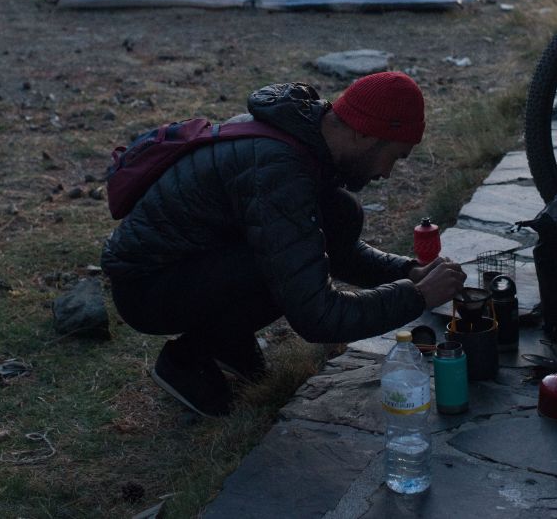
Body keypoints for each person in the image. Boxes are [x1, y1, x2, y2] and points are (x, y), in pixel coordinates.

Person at [101, 71, 466, 417]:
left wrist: (409, 271)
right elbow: (317, 316)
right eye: (395, 157)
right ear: (365, 134)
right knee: (285, 262)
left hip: (193, 263)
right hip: (147, 287)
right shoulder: (279, 169)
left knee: (340, 213)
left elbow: (330, 252)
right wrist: (415, 297)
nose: (387, 173)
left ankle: (227, 340)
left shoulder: (307, 136)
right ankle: (186, 361)